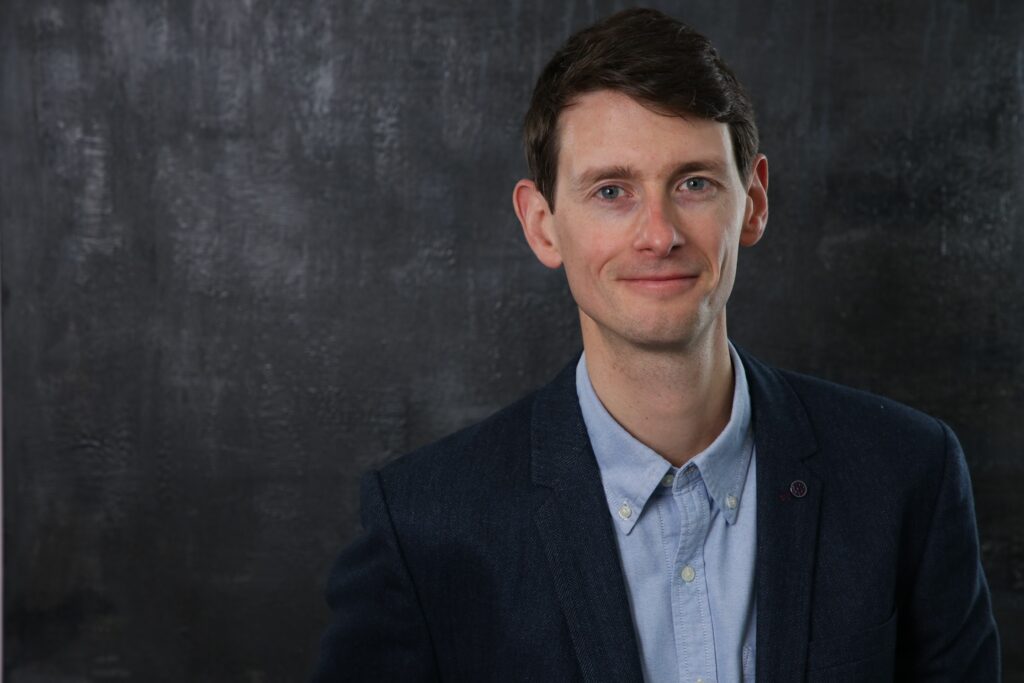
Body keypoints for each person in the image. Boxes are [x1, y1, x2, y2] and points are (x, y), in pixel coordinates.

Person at [311, 8, 1000, 681]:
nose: (658, 233)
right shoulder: (424, 524)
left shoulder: (908, 474)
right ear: (543, 224)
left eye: (693, 183)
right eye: (612, 190)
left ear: (753, 200)